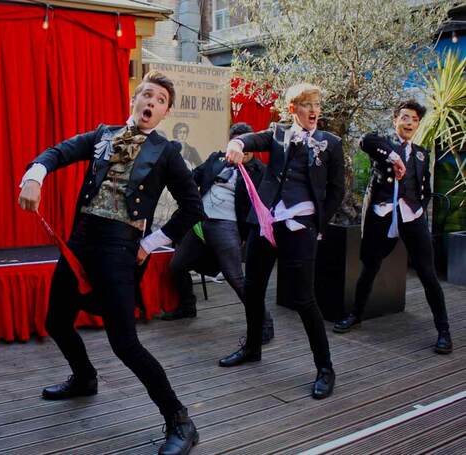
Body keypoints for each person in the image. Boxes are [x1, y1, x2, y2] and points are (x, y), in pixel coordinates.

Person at [18, 71, 204, 455]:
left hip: (120, 248)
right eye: (147, 96)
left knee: (124, 343)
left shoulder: (166, 152)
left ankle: (180, 420)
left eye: (161, 101)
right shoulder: (103, 134)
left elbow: (192, 207)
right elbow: (58, 152)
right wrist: (34, 175)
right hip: (81, 241)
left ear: (164, 112)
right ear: (134, 101)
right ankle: (85, 377)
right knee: (56, 321)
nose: (152, 104)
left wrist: (150, 242)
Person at [223, 83, 344, 399]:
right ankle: (252, 347)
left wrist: (317, 223)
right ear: (293, 109)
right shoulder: (277, 133)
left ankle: (325, 368)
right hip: (266, 222)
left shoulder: (330, 143)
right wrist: (236, 141)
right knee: (253, 288)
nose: (314, 110)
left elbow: (336, 191)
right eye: (307, 104)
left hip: (300, 226)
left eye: (317, 104)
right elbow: (250, 139)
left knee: (304, 298)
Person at [334, 100, 452, 354]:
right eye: (405, 118)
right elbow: (366, 140)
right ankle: (355, 315)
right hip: (382, 215)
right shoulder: (383, 146)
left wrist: (418, 208)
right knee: (370, 267)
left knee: (428, 274)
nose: (410, 123)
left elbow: (426, 189)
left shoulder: (422, 153)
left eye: (414, 120)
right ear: (395, 120)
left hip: (411, 217)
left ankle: (443, 331)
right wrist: (394, 155)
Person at [163, 122, 274, 346]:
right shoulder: (217, 159)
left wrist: (249, 236)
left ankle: (265, 324)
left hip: (228, 226)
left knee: (237, 279)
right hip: (200, 222)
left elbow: (262, 207)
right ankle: (187, 306)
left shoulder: (260, 172)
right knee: (177, 265)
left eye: (247, 143)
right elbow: (194, 176)